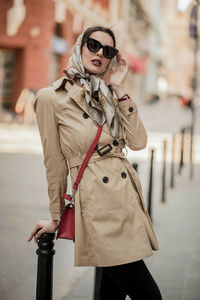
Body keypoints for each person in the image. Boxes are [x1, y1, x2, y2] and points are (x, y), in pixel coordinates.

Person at [27, 26, 162, 300]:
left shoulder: (108, 94)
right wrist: (56, 217)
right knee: (148, 294)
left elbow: (137, 142)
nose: (99, 53)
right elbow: (54, 163)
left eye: (107, 50)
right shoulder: (51, 98)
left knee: (111, 293)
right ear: (79, 46)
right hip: (97, 207)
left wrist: (120, 88)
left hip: (125, 200)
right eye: (93, 45)